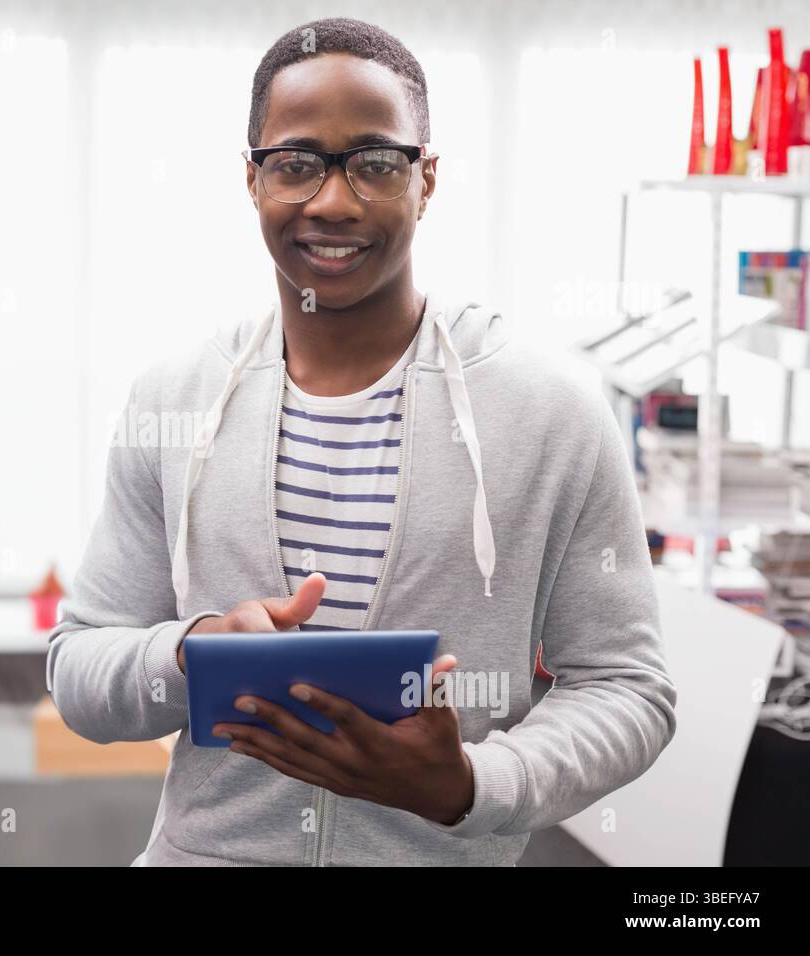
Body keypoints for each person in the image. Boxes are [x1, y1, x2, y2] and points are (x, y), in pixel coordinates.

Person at [46, 16, 677, 866]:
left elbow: (628, 687)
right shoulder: (174, 396)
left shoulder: (552, 411)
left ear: (427, 180)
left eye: (375, 163)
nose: (333, 201)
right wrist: (189, 653)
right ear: (253, 180)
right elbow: (79, 667)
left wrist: (473, 786)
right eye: (296, 164)